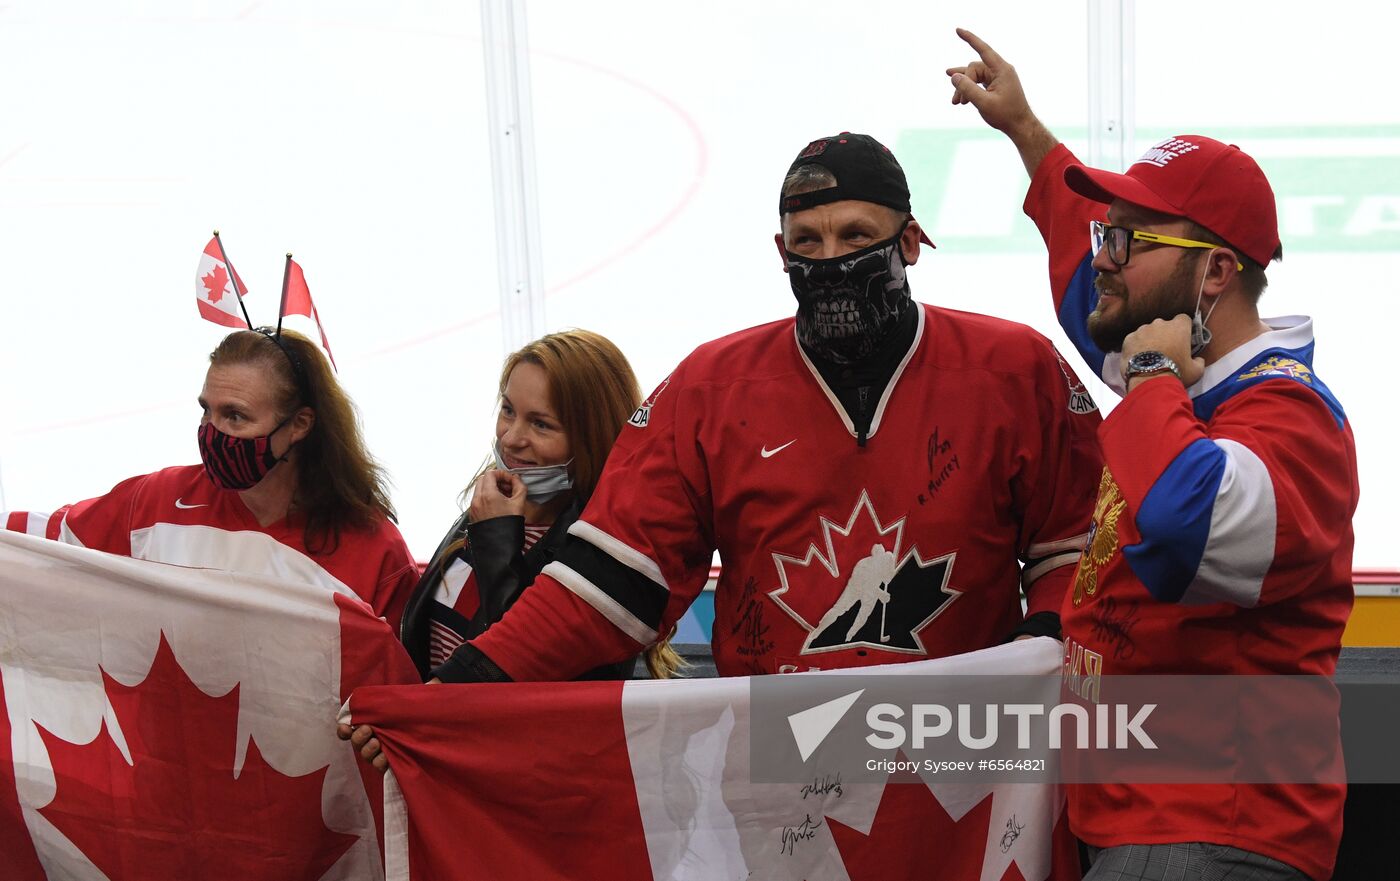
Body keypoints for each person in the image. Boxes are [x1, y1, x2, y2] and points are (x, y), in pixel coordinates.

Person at [420, 130, 1102, 688]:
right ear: (781, 252)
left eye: (855, 235)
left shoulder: (1017, 370)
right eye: (807, 241)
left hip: (963, 749)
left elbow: (1081, 550)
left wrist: (1043, 641)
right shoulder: (708, 389)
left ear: (909, 241)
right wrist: (457, 689)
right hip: (781, 759)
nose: (831, 260)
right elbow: (608, 585)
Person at [947, 28, 1358, 881]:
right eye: (1108, 231)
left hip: (1204, 834)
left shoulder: (1291, 418)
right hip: (1146, 824)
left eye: (1129, 238)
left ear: (1215, 274)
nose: (1105, 257)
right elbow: (1086, 291)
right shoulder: (1176, 379)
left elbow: (1186, 531)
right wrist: (1025, 131)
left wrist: (1154, 378)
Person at [2, 328, 418, 631]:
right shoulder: (157, 500)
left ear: (300, 424)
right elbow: (33, 544)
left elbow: (399, 690)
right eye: (206, 410)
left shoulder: (374, 549)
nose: (212, 431)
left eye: (235, 416)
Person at [397, 329, 684, 683]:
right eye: (508, 410)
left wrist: (497, 539)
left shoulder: (599, 552)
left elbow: (512, 664)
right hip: (436, 715)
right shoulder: (489, 507)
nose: (511, 438)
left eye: (540, 424)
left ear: (592, 437)